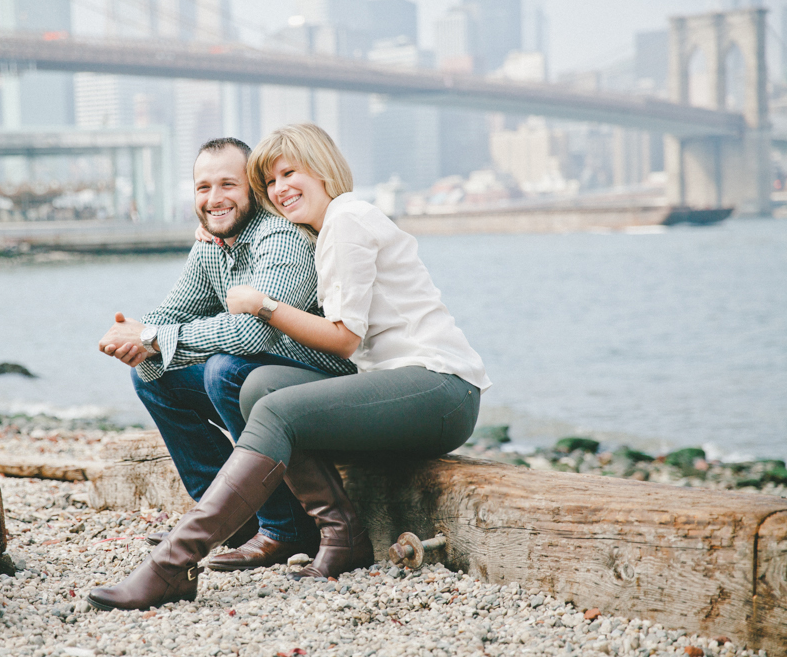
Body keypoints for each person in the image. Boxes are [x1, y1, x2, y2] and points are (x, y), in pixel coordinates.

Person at [87, 124, 490, 612]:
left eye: (288, 174)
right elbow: (178, 311)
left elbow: (343, 339)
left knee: (265, 400)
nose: (280, 189)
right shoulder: (314, 229)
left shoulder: (346, 219)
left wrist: (262, 305)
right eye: (271, 181)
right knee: (259, 386)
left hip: (440, 386)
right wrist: (139, 336)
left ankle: (174, 562)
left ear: (322, 170)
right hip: (390, 386)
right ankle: (338, 536)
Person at [95, 137, 356, 580]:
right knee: (153, 376)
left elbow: (254, 332)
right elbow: (175, 309)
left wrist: (155, 336)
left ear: (253, 188)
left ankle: (286, 528)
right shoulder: (213, 243)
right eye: (203, 188)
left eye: (228, 185)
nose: (214, 199)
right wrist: (136, 338)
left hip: (326, 383)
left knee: (226, 371)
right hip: (269, 375)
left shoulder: (280, 237)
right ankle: (234, 522)